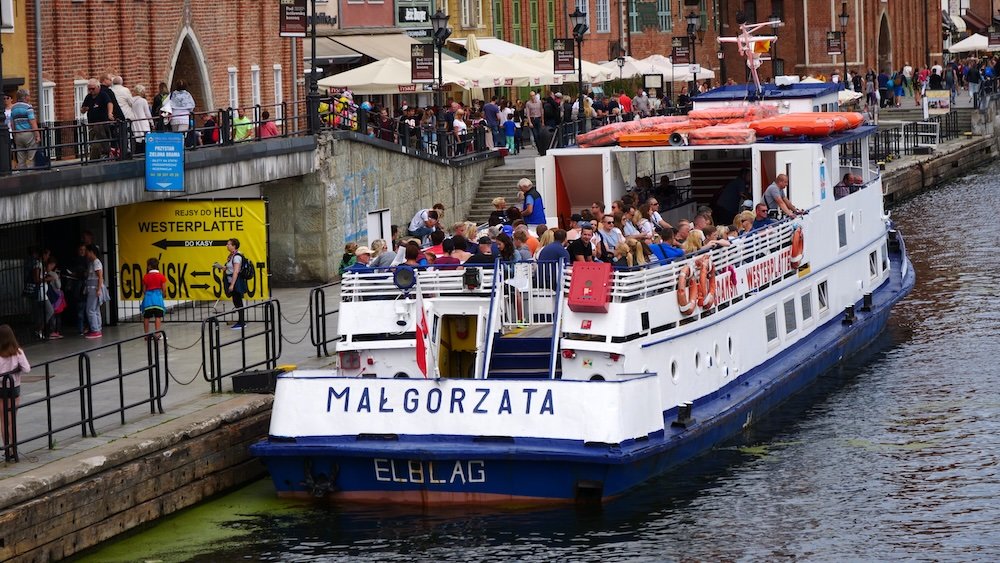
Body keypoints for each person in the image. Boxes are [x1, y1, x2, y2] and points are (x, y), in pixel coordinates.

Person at [0, 324, 30, 458]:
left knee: (3, 420)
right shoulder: (18, 352)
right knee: (12, 420)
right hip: (14, 388)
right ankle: (14, 449)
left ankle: (6, 449)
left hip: (1, 389)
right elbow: (27, 369)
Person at [216, 238, 247, 330]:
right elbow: (230, 268)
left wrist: (232, 285)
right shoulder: (231, 256)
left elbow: (236, 271)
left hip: (236, 282)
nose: (227, 246)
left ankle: (242, 323)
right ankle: (240, 321)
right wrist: (222, 267)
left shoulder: (237, 257)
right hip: (232, 281)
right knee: (236, 301)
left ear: (234, 246)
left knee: (238, 301)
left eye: (229, 244)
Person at [81, 78, 114, 160]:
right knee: (93, 143)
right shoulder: (88, 97)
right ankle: (101, 156)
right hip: (92, 124)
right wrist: (84, 109)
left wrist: (110, 113)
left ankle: (94, 159)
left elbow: (109, 103)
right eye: (89, 89)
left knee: (97, 143)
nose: (91, 91)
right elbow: (82, 110)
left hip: (101, 124)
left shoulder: (103, 95)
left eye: (93, 89)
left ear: (98, 87)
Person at [9, 89, 40, 168]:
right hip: (28, 133)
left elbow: (12, 123)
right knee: (31, 156)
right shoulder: (28, 107)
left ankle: (22, 174)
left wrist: (15, 134)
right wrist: (37, 135)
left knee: (21, 157)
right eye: (28, 96)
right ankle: (30, 173)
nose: (29, 97)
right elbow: (32, 121)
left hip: (18, 134)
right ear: (25, 97)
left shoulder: (13, 108)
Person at [140, 257, 167, 338]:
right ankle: (158, 334)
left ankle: (146, 335)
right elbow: (164, 289)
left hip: (148, 300)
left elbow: (144, 290)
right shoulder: (161, 276)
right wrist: (163, 295)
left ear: (149, 266)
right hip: (158, 299)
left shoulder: (145, 277)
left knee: (146, 317)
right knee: (158, 316)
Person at [83, 244, 105, 338]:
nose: (86, 254)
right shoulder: (93, 263)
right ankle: (97, 328)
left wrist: (99, 289)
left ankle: (95, 330)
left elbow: (100, 277)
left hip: (94, 288)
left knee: (90, 310)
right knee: (95, 310)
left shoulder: (96, 262)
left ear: (91, 252)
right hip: (93, 288)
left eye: (87, 252)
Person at [130, 84, 153, 154]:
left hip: (134, 122)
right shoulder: (143, 101)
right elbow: (147, 113)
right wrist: (151, 122)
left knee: (137, 138)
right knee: (145, 138)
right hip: (143, 121)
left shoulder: (131, 101)